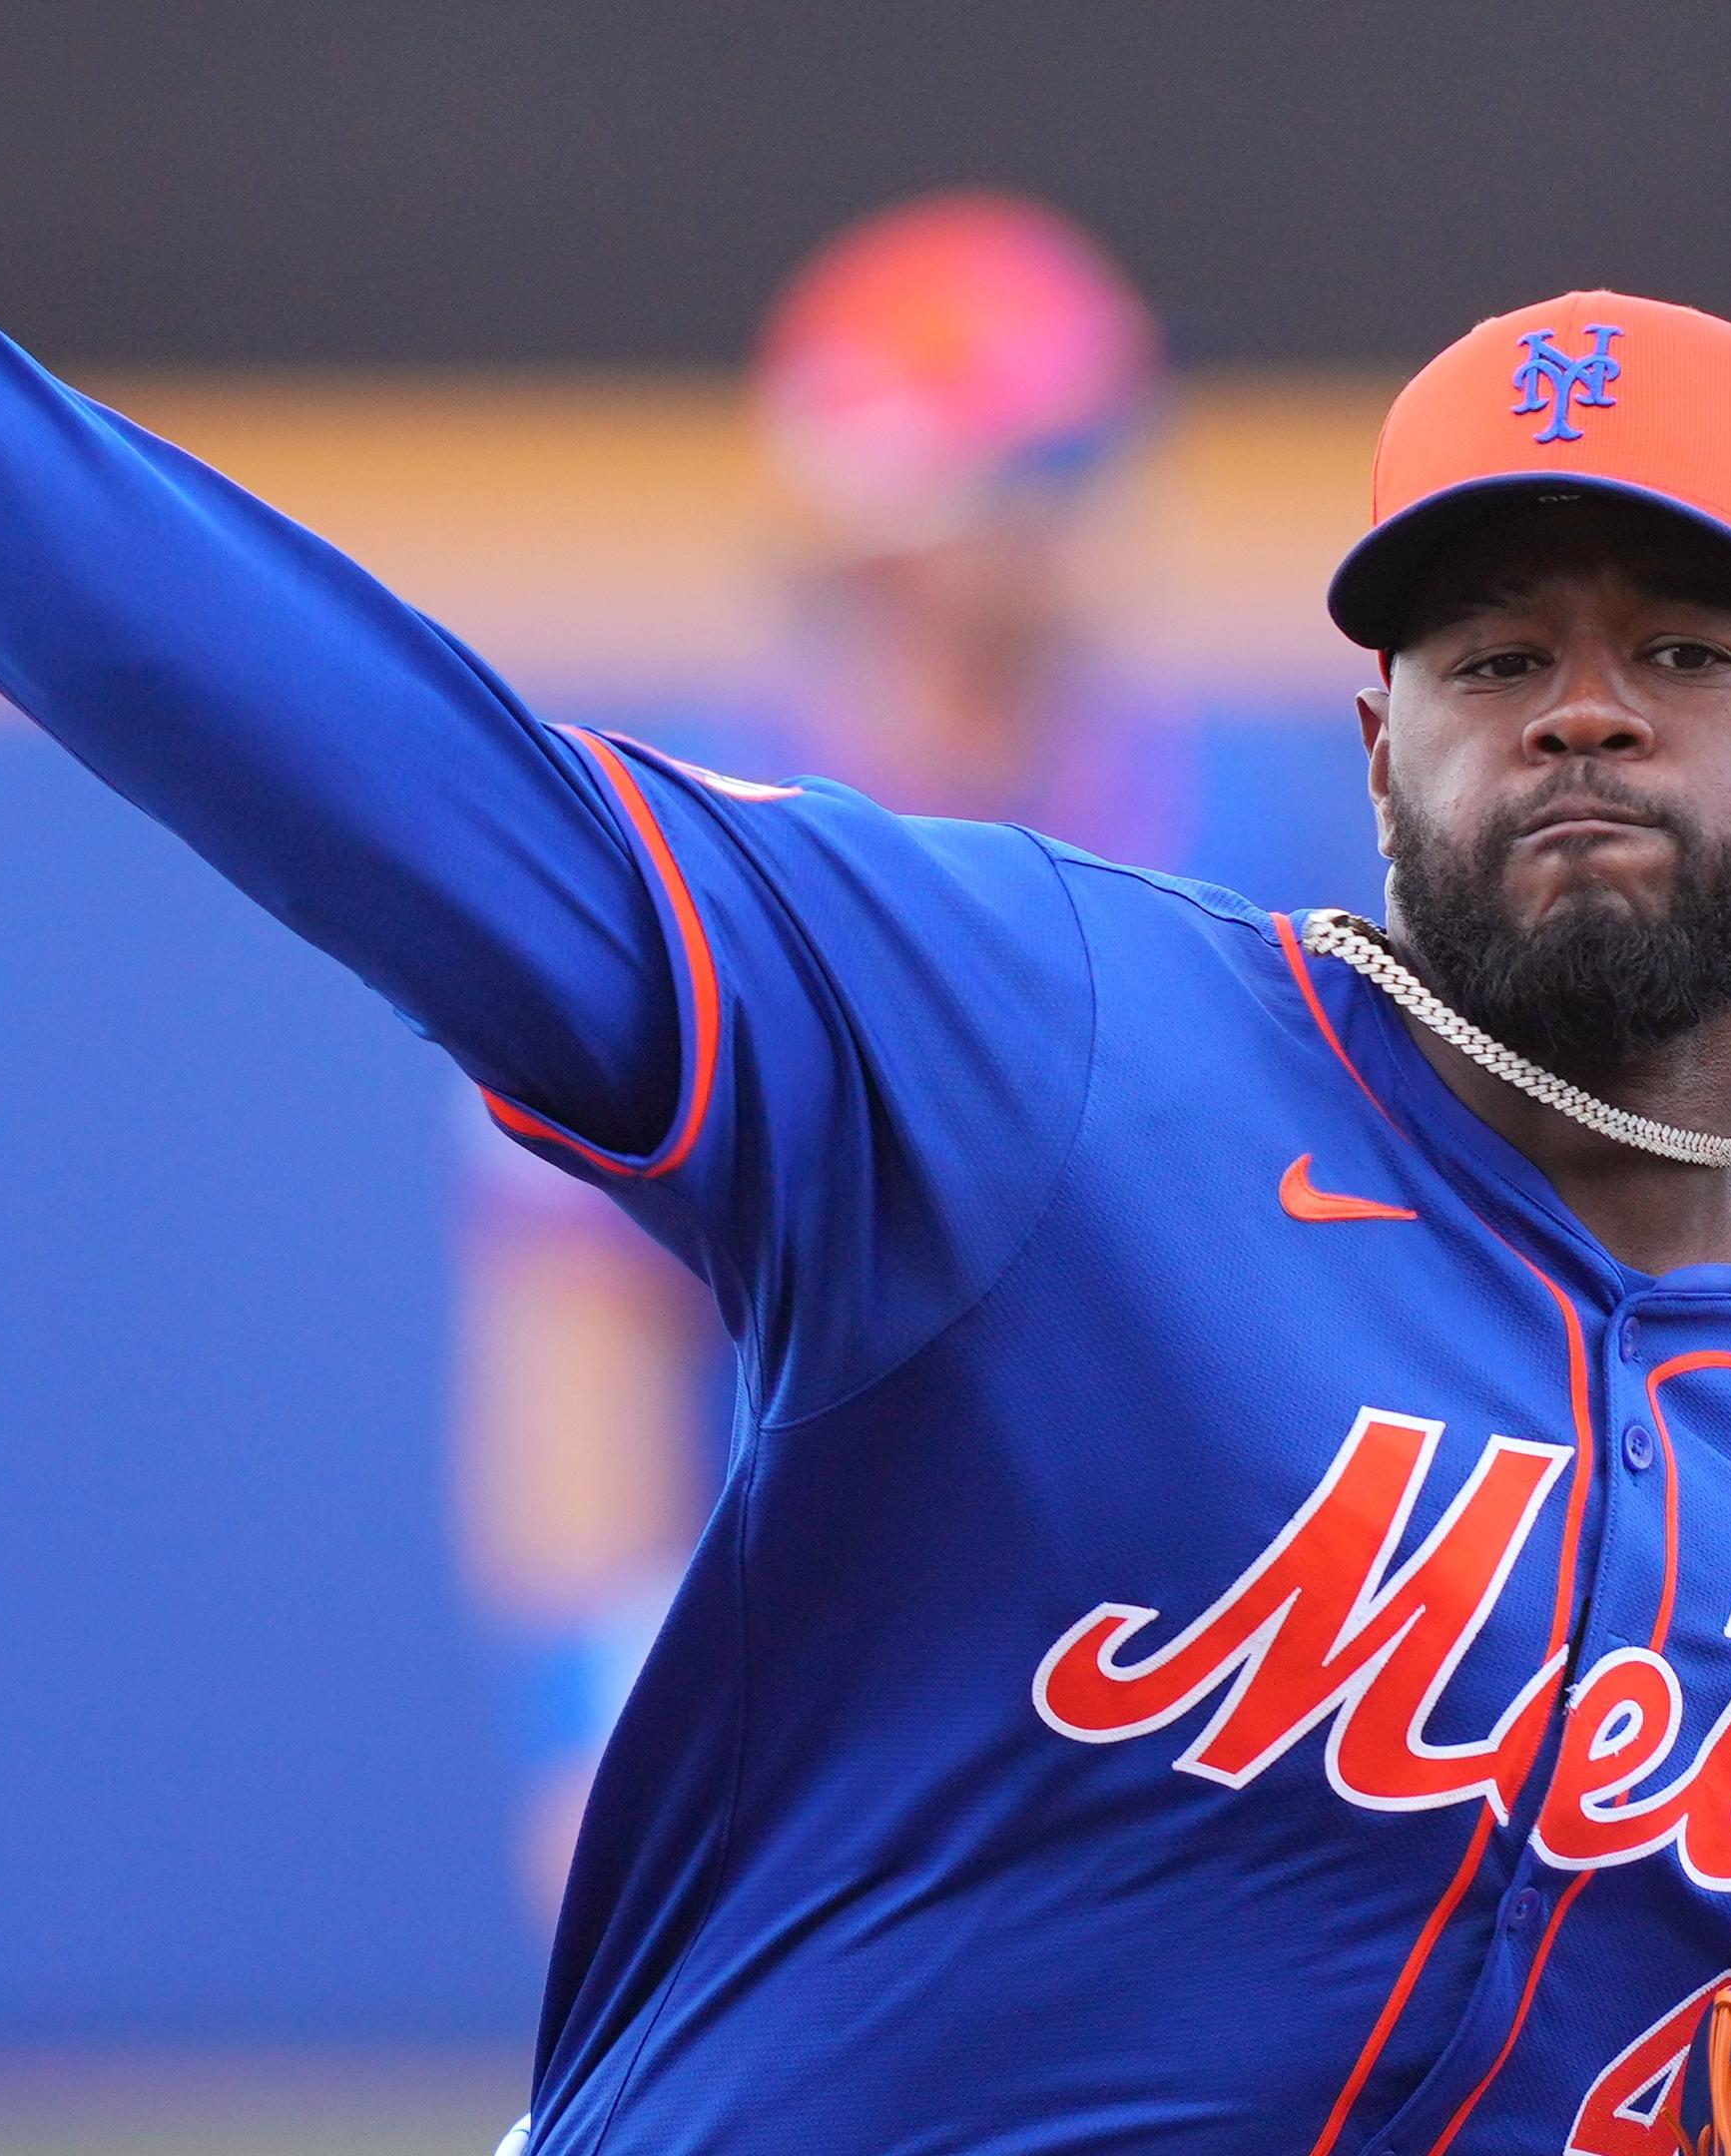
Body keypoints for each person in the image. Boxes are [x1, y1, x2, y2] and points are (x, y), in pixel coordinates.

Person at [0, 8, 1731, 2153]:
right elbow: (347, 759)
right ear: (1381, 732)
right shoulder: (1044, 1026)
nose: (1580, 710)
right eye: (1494, 654)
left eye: (1687, 646)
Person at [449, 190, 1211, 1938]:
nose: (1102, 509)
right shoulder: (688, 867)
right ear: (903, 534)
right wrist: (598, 1729)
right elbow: (572, 1336)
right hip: (815, 1743)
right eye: (1051, 463)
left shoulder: (1219, 823)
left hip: (1161, 1721)